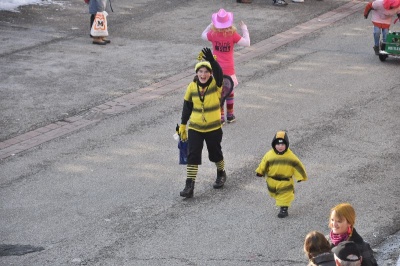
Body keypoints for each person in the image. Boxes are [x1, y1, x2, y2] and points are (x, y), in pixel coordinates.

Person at [178, 47, 226, 198]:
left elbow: (220, 74)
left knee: (215, 153)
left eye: (206, 72)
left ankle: (221, 173)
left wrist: (211, 60)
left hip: (213, 128)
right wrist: (183, 124)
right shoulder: (192, 87)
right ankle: (189, 186)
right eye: (200, 71)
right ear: (197, 73)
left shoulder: (216, 85)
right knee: (193, 155)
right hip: (196, 128)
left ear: (210, 73)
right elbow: (187, 107)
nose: (203, 74)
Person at [201, 8, 250, 124]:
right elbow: (247, 43)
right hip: (229, 69)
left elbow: (202, 35)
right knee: (229, 91)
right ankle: (230, 115)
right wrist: (244, 29)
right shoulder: (232, 34)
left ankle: (220, 116)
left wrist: (209, 25)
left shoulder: (213, 34)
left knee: (218, 92)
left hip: (216, 69)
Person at [255, 131, 307, 218]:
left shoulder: (290, 156)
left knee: (285, 195)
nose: (280, 147)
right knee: (274, 193)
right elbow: (264, 163)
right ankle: (281, 203)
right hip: (272, 180)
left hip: (285, 181)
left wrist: (301, 177)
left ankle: (284, 209)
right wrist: (260, 171)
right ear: (274, 145)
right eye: (278, 144)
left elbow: (298, 166)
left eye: (283, 144)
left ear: (286, 145)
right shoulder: (269, 155)